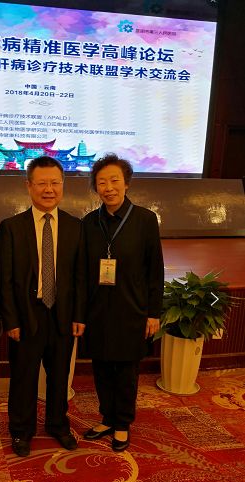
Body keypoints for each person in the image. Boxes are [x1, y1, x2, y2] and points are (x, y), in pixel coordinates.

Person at [0, 156, 86, 457]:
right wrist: (10, 320)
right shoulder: (11, 227)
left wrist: (79, 315)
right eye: (42, 183)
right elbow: (6, 280)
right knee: (23, 377)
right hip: (26, 315)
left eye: (55, 183)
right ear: (29, 186)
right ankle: (21, 431)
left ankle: (58, 425)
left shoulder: (75, 226)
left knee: (59, 377)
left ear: (63, 185)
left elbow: (80, 277)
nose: (49, 189)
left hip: (62, 315)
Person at [82, 153, 164, 452]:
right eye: (102, 182)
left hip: (132, 309)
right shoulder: (89, 222)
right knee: (102, 368)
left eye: (114, 180)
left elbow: (155, 270)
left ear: (127, 183)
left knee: (126, 371)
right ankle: (107, 417)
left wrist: (153, 313)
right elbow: (83, 272)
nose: (109, 187)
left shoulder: (145, 220)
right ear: (96, 187)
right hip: (98, 311)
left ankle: (122, 423)